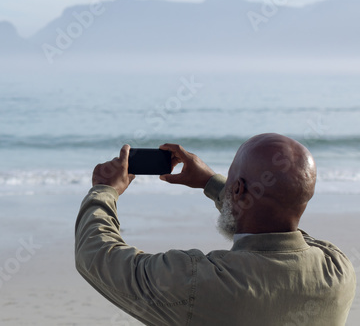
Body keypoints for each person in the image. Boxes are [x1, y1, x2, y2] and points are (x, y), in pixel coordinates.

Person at [75, 134, 355, 325]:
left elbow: (97, 254)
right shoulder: (339, 270)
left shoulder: (197, 281)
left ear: (238, 189)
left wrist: (104, 190)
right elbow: (272, 229)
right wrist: (212, 182)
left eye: (232, 178)